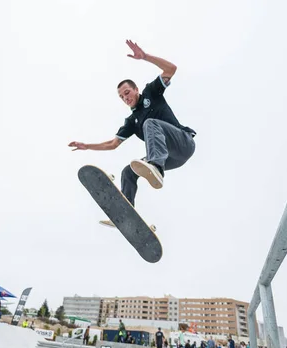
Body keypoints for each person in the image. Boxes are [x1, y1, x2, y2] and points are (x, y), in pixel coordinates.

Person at [69, 40, 197, 227]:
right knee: (129, 171)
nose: (125, 98)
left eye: (127, 92)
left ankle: (156, 166)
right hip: (173, 158)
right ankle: (124, 212)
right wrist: (87, 146)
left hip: (184, 143)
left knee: (151, 124)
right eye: (122, 97)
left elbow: (171, 69)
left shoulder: (151, 93)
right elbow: (112, 144)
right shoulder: (131, 122)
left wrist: (145, 57)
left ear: (136, 89)